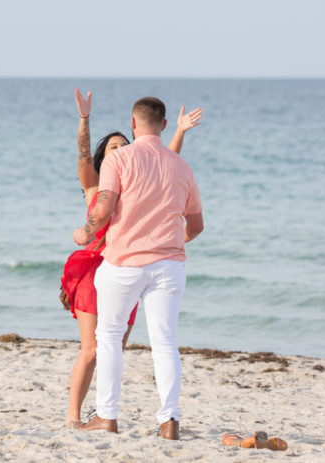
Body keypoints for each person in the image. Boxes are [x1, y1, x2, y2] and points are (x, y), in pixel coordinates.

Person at [63, 89, 202, 428]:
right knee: (162, 339)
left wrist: (84, 231)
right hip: (165, 266)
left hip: (122, 263)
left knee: (108, 339)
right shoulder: (179, 167)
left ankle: (106, 416)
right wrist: (171, 243)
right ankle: (169, 419)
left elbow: (106, 207)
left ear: (132, 123)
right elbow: (196, 225)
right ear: (164, 124)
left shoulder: (121, 161)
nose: (118, 146)